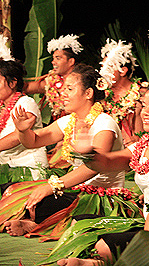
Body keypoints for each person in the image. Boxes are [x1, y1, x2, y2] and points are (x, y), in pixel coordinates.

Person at [55, 83, 149, 265]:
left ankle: (97, 262)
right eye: (144, 105)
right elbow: (106, 162)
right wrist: (87, 152)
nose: (145, 112)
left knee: (104, 245)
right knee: (80, 224)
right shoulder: (142, 146)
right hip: (148, 224)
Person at [2, 64, 127, 237]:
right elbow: (34, 141)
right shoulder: (69, 121)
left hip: (101, 198)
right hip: (74, 190)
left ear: (88, 93)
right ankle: (35, 221)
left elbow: (93, 166)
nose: (63, 93)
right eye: (63, 88)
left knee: (44, 200)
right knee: (11, 189)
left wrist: (52, 186)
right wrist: (23, 131)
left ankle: (36, 223)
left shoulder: (104, 123)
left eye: (69, 88)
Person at [0, 38, 46, 187]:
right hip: (6, 168)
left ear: (12, 83)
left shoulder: (26, 103)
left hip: (27, 170)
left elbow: (17, 137)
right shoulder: (1, 107)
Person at [24, 34, 83, 120]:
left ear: (71, 61)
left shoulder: (83, 80)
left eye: (58, 58)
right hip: (59, 128)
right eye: (53, 58)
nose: (53, 62)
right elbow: (28, 87)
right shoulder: (52, 81)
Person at [99, 39, 144, 146]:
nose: (103, 73)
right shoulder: (101, 96)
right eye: (102, 67)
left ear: (123, 71)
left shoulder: (142, 94)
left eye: (109, 67)